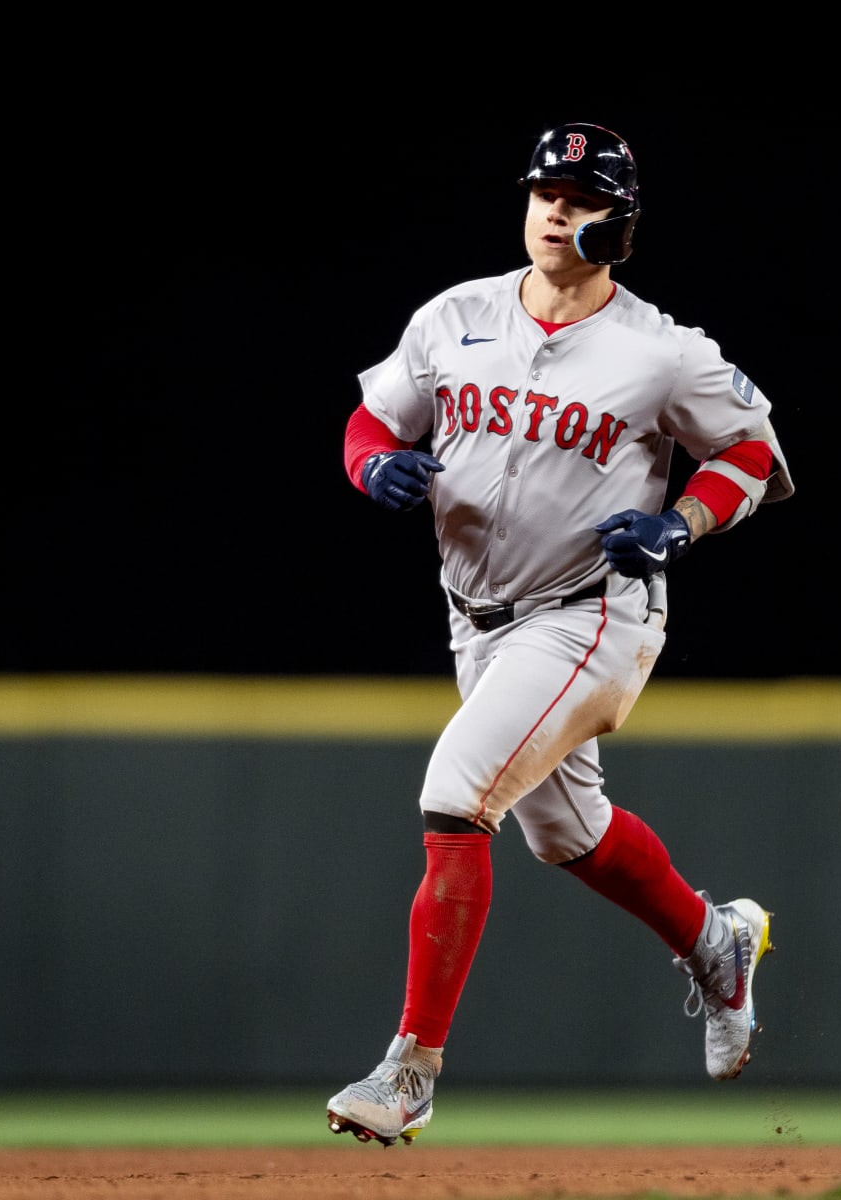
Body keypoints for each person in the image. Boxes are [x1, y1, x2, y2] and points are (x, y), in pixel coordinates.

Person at [326, 120, 795, 1147]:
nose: (555, 213)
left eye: (581, 202)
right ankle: (715, 941)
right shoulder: (456, 315)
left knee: (457, 795)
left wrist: (682, 521)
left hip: (592, 611)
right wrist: (373, 466)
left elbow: (752, 456)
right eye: (546, 193)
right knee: (569, 836)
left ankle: (410, 1071)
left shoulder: (662, 352)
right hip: (478, 623)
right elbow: (373, 419)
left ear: (620, 227)